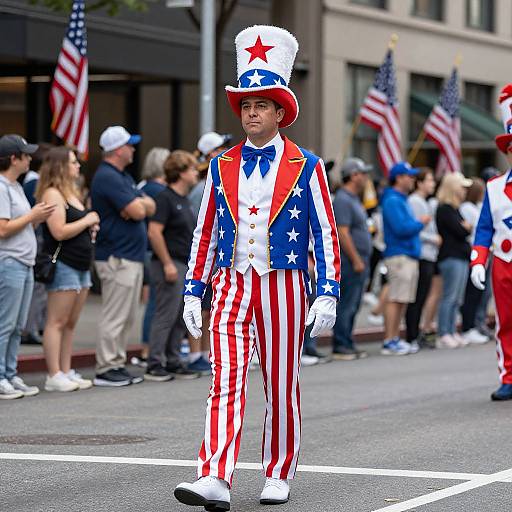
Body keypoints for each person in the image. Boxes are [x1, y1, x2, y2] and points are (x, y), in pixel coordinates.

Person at [174, 25, 341, 509]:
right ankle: (214, 475)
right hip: (229, 285)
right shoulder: (221, 165)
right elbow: (205, 231)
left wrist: (327, 290)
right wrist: (193, 288)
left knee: (281, 383)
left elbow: (324, 232)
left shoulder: (307, 165)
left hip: (285, 285)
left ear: (279, 111)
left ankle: (278, 471)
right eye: (245, 105)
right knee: (224, 380)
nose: (251, 112)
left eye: (260, 105)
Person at [90, 126, 156, 387]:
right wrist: (137, 206)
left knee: (126, 315)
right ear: (118, 149)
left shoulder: (122, 176)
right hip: (117, 256)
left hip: (128, 255)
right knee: (115, 315)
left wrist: (139, 205)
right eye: (129, 145)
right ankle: (106, 367)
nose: (132, 149)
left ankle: (115, 363)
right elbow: (139, 211)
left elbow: (147, 205)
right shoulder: (108, 176)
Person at [36, 147, 99, 392]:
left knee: (71, 322)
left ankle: (65, 368)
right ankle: (53, 373)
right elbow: (59, 231)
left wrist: (89, 226)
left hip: (81, 263)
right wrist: (87, 220)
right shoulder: (52, 194)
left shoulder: (71, 192)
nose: (78, 166)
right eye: (73, 162)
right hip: (64, 264)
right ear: (61, 166)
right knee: (57, 321)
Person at [0, 135, 55, 399]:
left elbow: (18, 225)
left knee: (17, 324)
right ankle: (1, 375)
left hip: (23, 262)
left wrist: (34, 218)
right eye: (25, 155)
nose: (29, 159)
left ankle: (10, 373)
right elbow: (3, 229)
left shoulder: (16, 186)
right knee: (6, 323)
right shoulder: (1, 186)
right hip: (10, 261)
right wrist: (32, 216)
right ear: (14, 158)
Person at [470, 84, 512, 400]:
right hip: (503, 264)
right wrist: (477, 261)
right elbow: (484, 228)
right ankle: (509, 376)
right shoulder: (494, 187)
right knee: (506, 322)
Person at [145, 150, 201, 381]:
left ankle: (174, 359)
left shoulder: (184, 200)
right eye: (190, 169)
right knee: (166, 314)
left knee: (180, 315)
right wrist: (167, 263)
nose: (195, 172)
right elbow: (154, 232)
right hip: (170, 263)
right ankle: (155, 362)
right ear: (179, 173)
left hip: (184, 263)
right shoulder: (165, 198)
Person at [188, 132, 232, 374]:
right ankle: (195, 353)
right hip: (206, 259)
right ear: (210, 154)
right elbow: (203, 229)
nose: (226, 150)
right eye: (221, 147)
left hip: (217, 260)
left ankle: (205, 352)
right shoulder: (202, 187)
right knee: (201, 308)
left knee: (209, 309)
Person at [381, 162, 430, 356]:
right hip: (399, 254)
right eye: (409, 176)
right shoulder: (393, 200)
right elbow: (401, 228)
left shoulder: (400, 199)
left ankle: (394, 338)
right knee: (396, 298)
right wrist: (420, 223)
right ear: (399, 178)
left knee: (402, 299)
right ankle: (389, 339)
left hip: (407, 254)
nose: (412, 179)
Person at [332, 157, 372, 360]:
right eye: (363, 173)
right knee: (347, 302)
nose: (366, 177)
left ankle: (347, 340)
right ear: (354, 175)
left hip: (361, 259)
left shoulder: (354, 198)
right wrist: (355, 258)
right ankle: (341, 344)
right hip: (350, 261)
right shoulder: (343, 199)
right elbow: (343, 232)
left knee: (354, 303)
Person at [136, 147, 170, 366]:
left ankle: (149, 347)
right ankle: (148, 348)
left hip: (148, 249)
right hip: (156, 249)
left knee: (153, 302)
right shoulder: (157, 190)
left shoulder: (142, 187)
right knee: (156, 303)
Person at [435, 172, 473, 349]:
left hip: (461, 256)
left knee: (458, 298)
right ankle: (444, 332)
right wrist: (465, 227)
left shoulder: (456, 208)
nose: (465, 190)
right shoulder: (445, 209)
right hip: (451, 257)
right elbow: (461, 231)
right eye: (462, 186)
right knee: (449, 296)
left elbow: (466, 229)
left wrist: (466, 227)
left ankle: (451, 330)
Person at [21, 142, 54, 346]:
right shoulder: (34, 184)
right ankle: (30, 327)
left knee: (39, 286)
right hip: (36, 237)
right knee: (37, 287)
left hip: (37, 238)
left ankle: (36, 324)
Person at [405, 168, 440, 350]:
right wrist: (434, 238)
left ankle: (416, 334)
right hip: (423, 253)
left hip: (429, 253)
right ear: (419, 183)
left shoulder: (425, 202)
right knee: (417, 297)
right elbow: (418, 229)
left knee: (423, 295)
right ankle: (411, 336)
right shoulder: (415, 201)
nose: (432, 184)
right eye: (429, 180)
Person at [459, 178, 489, 344]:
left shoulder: (478, 207)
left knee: (482, 294)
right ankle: (467, 327)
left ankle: (476, 324)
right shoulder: (467, 208)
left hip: (486, 254)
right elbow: (476, 229)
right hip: (475, 253)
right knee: (472, 293)